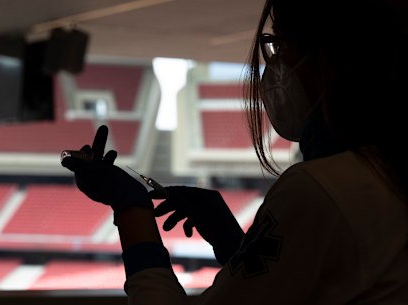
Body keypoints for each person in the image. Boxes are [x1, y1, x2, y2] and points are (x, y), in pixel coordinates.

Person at [61, 0, 408, 303]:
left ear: (330, 58)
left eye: (281, 44)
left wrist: (130, 208)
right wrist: (236, 248)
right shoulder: (383, 172)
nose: (276, 64)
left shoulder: (322, 189)